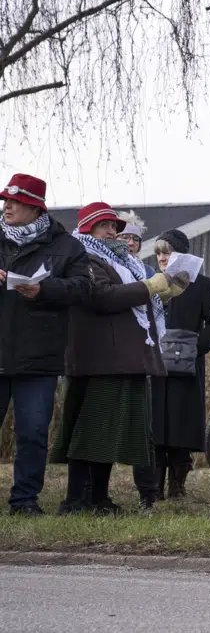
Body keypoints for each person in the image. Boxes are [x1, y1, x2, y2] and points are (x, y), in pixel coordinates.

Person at [52, 201, 176, 513]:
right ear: (88, 227)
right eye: (106, 226)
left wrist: (159, 291)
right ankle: (76, 499)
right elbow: (102, 297)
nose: (114, 232)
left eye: (115, 227)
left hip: (119, 357)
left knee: (106, 432)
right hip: (98, 358)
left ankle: (99, 498)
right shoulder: (83, 256)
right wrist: (148, 287)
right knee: (89, 431)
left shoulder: (118, 261)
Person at [1, 174, 91, 516]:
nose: (6, 206)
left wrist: (44, 290)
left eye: (15, 201)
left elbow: (83, 288)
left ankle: (24, 501)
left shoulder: (67, 246)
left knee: (34, 433)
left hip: (39, 356)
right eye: (5, 201)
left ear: (36, 207)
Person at [140, 229, 210, 505]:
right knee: (154, 426)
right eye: (159, 252)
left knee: (180, 426)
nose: (162, 257)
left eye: (168, 252)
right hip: (152, 363)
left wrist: (197, 345)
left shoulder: (202, 285)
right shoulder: (149, 282)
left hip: (186, 367)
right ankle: (152, 489)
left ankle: (177, 486)